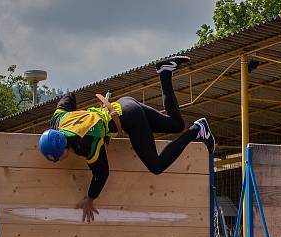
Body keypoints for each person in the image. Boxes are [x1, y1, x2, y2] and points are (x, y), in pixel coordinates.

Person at [38, 55, 215, 223]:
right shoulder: (58, 120)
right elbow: (69, 96)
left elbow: (101, 173)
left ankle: (197, 129)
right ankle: (165, 71)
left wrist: (90, 198)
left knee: (156, 166)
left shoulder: (84, 144)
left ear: (62, 147)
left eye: (57, 157)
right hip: (124, 104)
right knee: (175, 125)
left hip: (130, 118)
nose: (59, 160)